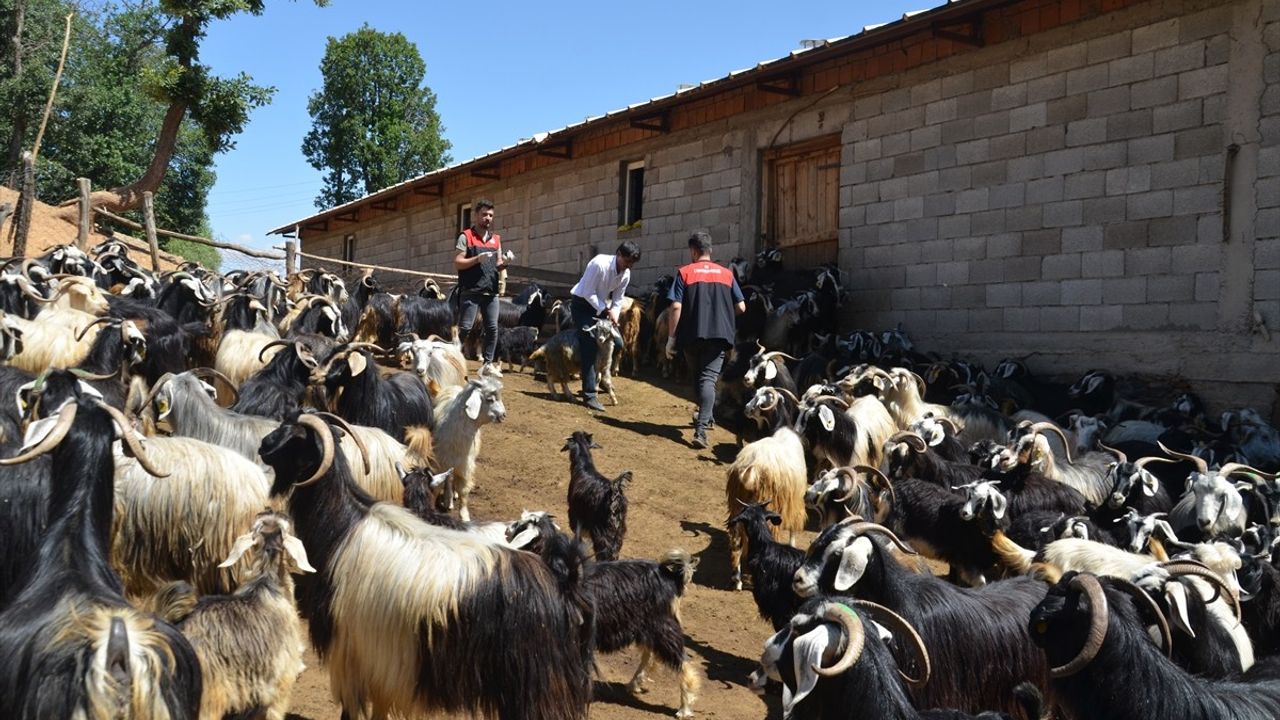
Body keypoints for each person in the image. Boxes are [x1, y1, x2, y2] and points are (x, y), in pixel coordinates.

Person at [665, 230, 745, 448]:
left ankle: (701, 427)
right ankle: (704, 422)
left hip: (691, 334)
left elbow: (675, 307)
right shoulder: (726, 274)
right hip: (719, 335)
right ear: (710, 250)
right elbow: (741, 306)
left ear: (693, 251)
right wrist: (723, 315)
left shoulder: (685, 272)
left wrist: (671, 338)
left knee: (698, 377)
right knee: (708, 379)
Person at [568, 241, 642, 412]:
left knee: (618, 344)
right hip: (583, 305)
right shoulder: (599, 264)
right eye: (627, 261)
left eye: (632, 263)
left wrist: (614, 313)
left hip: (601, 307)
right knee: (589, 344)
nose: (629, 266)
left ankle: (600, 377)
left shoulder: (625, 273)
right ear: (619, 254)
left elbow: (618, 298)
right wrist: (606, 310)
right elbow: (588, 292)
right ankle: (589, 395)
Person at [454, 199, 508, 375]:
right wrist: (477, 259)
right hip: (471, 290)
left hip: (490, 291)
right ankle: (452, 358)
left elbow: (498, 264)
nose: (488, 218)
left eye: (490, 215)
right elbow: (458, 262)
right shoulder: (466, 236)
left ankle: (487, 365)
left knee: (492, 328)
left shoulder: (496, 239)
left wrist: (505, 262)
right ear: (476, 215)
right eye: (484, 214)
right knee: (465, 328)